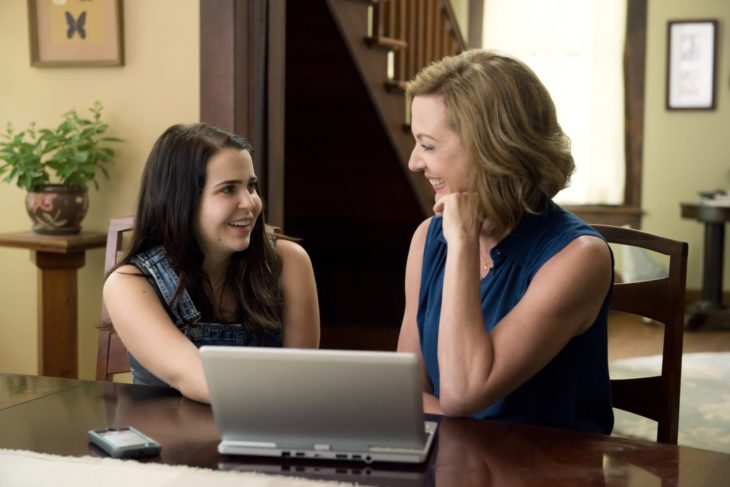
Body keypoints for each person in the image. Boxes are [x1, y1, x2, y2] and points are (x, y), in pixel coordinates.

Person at [397, 50, 614, 434]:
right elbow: (405, 390)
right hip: (453, 461)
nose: (414, 162)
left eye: (428, 145)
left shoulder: (580, 258)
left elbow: (463, 392)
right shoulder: (426, 239)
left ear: (491, 151)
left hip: (547, 471)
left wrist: (462, 242)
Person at [104, 123, 320, 403]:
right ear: (182, 201)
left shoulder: (290, 263)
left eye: (251, 186)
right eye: (229, 189)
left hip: (260, 437)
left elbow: (302, 382)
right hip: (166, 443)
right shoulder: (128, 284)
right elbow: (192, 376)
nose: (250, 203)